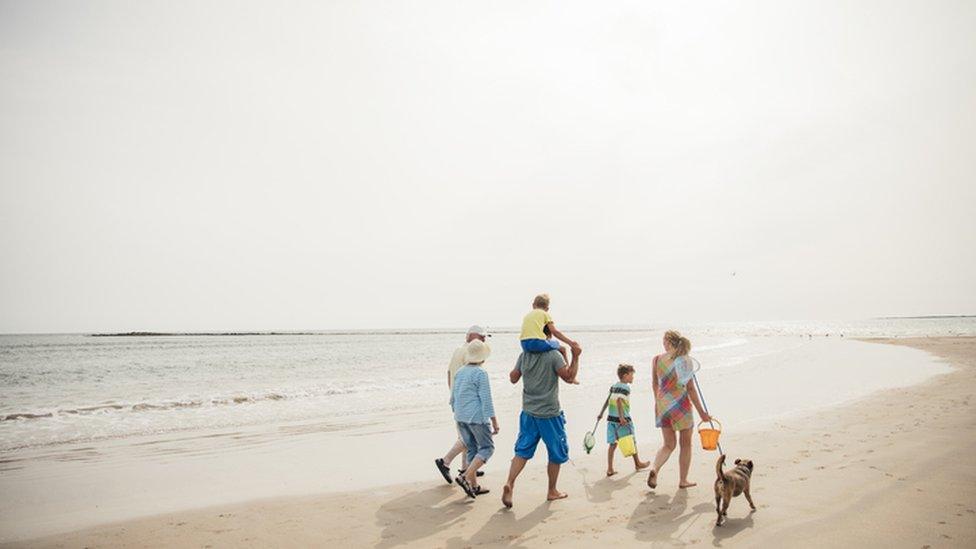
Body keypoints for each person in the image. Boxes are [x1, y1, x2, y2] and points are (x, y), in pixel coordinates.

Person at [501, 343, 582, 508]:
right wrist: (576, 356)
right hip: (549, 415)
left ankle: (510, 482)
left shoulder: (525, 355)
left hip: (528, 413)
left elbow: (513, 378)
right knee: (555, 453)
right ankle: (552, 490)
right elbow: (569, 377)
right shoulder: (553, 355)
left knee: (522, 451)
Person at [646, 330, 713, 490]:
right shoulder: (685, 360)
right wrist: (702, 413)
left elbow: (655, 384)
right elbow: (690, 388)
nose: (663, 343)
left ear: (668, 341)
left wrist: (658, 402)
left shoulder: (656, 360)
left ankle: (655, 469)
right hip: (681, 405)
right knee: (686, 445)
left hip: (663, 405)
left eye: (664, 340)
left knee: (668, 445)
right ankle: (683, 480)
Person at [435, 325, 488, 484]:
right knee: (468, 437)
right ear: (474, 337)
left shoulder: (458, 350)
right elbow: (472, 380)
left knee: (467, 436)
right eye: (483, 337)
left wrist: (453, 395)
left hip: (457, 399)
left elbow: (450, 373)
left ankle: (467, 468)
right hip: (466, 402)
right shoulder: (470, 353)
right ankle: (445, 461)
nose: (485, 340)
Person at [450, 339, 499, 498]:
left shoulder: (460, 372)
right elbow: (486, 399)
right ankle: (465, 477)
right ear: (483, 357)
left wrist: (457, 413)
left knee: (472, 449)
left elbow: (454, 396)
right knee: (487, 448)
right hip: (476, 417)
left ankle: (473, 485)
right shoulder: (480, 373)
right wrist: (494, 421)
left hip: (461, 416)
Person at [599, 364, 650, 476]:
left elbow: (608, 400)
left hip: (611, 419)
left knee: (613, 444)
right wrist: (622, 418)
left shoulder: (613, 386)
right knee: (631, 440)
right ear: (625, 375)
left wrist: (601, 413)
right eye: (631, 375)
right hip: (623, 419)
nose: (633, 377)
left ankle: (610, 469)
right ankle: (637, 463)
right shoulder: (625, 387)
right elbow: (619, 401)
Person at [519, 294, 580, 358]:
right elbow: (554, 332)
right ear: (547, 309)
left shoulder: (527, 316)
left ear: (533, 305)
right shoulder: (545, 314)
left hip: (524, 344)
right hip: (536, 343)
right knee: (562, 349)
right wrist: (570, 343)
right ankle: (566, 367)